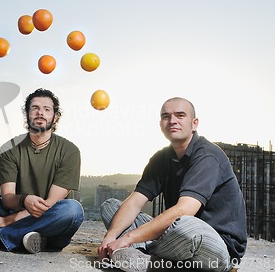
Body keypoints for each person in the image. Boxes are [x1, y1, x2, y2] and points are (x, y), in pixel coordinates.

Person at [97, 97, 247, 272]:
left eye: (180, 115)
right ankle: (157, 261)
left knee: (186, 225)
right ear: (160, 124)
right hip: (174, 237)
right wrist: (111, 236)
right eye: (166, 116)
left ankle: (146, 256)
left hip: (215, 244)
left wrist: (129, 238)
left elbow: (184, 210)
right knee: (112, 207)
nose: (172, 121)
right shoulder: (161, 158)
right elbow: (135, 202)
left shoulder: (208, 155)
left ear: (194, 123)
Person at [0, 88, 84, 253]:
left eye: (47, 109)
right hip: (14, 210)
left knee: (72, 210)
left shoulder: (69, 151)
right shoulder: (9, 149)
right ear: (27, 114)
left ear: (55, 117)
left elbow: (49, 204)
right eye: (35, 108)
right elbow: (8, 199)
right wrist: (24, 200)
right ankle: (27, 238)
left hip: (51, 222)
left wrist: (7, 221)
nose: (40, 113)